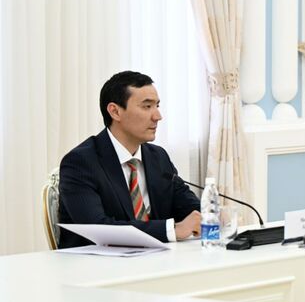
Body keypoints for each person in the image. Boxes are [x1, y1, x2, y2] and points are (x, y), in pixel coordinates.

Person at [58, 71, 201, 248]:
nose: (157, 116)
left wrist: (212, 214)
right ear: (115, 111)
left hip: (156, 259)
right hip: (96, 262)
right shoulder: (80, 162)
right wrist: (171, 230)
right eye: (147, 106)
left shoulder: (158, 157)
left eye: (157, 106)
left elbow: (188, 207)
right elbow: (97, 227)